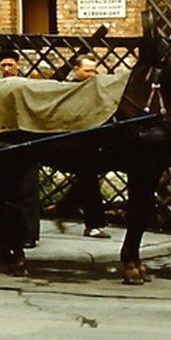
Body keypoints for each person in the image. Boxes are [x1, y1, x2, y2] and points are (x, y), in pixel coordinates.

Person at [47, 53, 109, 237]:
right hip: (69, 141)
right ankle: (92, 223)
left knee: (88, 177)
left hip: (90, 141)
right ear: (76, 70)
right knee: (89, 177)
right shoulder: (69, 89)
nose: (91, 74)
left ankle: (65, 208)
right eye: (87, 70)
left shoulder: (96, 89)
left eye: (94, 71)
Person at [0, 49, 39, 248]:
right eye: (3, 65)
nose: (6, 68)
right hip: (5, 143)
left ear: (18, 65)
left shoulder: (26, 86)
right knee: (9, 193)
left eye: (10, 64)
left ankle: (29, 235)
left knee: (27, 192)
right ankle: (14, 233)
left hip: (25, 142)